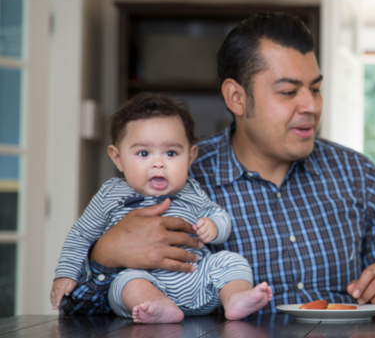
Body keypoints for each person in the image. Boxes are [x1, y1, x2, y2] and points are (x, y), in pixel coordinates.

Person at [62, 12, 375, 316]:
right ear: (236, 97)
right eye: (287, 92)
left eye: (315, 89)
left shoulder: (358, 176)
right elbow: (80, 315)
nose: (310, 106)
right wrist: (105, 256)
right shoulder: (177, 180)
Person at [52, 93, 272, 323]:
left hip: (196, 278)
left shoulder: (191, 190)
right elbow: (80, 235)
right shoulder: (111, 194)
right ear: (118, 158)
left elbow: (218, 215)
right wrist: (65, 274)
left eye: (171, 153)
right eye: (143, 153)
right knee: (124, 282)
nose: (158, 163)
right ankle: (158, 305)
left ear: (190, 157)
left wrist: (214, 227)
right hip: (145, 280)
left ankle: (234, 297)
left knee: (230, 261)